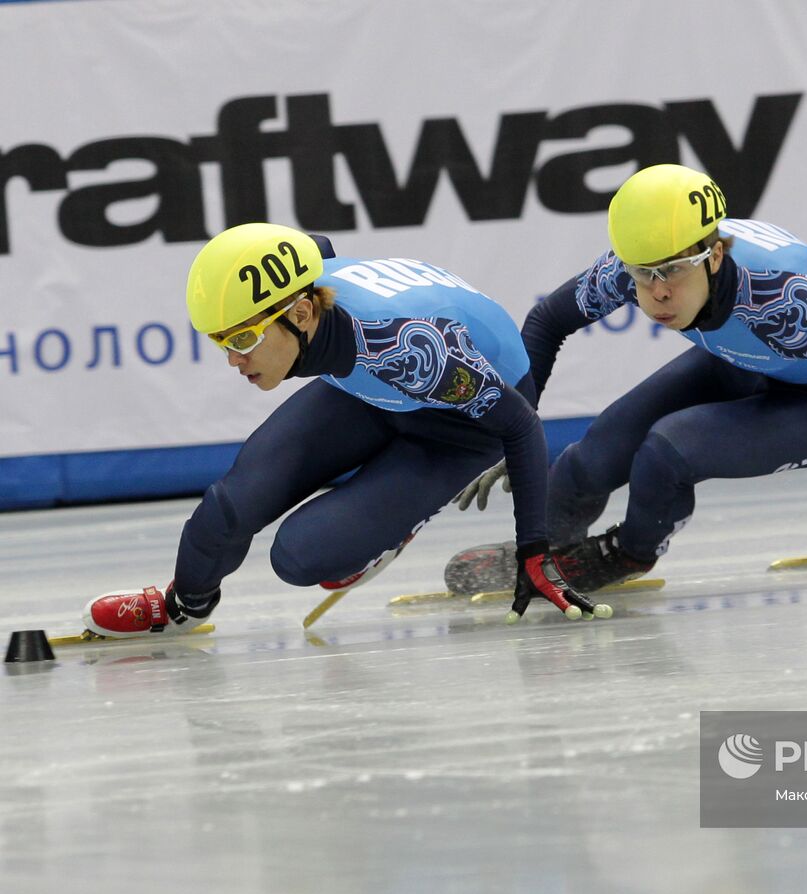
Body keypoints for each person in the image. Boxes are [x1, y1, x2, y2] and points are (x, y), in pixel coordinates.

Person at [447, 163, 807, 594]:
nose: (657, 292)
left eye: (673, 271)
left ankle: (626, 553)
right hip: (751, 360)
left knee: (666, 453)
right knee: (596, 451)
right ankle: (555, 547)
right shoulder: (635, 264)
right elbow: (547, 321)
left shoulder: (785, 303)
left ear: (716, 253)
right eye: (644, 273)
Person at [83, 223, 598, 636]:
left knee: (300, 556)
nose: (233, 359)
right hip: (373, 388)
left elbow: (522, 426)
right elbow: (318, 245)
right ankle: (180, 609)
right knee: (226, 509)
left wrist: (535, 552)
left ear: (303, 312)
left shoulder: (403, 345)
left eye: (242, 338)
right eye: (221, 341)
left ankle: (397, 523)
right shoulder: (307, 283)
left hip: (459, 422)